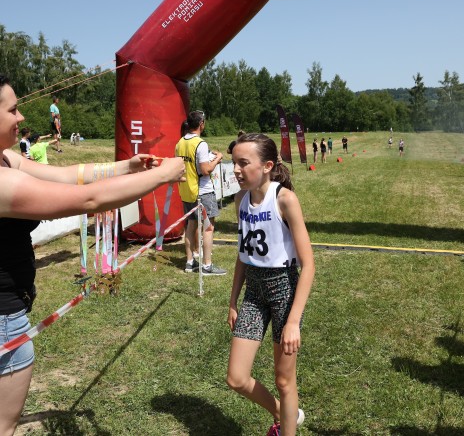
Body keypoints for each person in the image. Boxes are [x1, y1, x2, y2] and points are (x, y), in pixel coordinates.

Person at [0, 74, 186, 435]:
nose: (21, 117)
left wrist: (127, 167)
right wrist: (164, 174)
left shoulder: (6, 159)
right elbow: (89, 200)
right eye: (12, 109)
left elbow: (71, 175)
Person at [226, 133, 315, 436]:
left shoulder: (284, 199)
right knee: (236, 378)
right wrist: (233, 300)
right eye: (233, 163)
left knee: (284, 380)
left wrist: (293, 322)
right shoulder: (240, 200)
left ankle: (286, 429)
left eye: (243, 163)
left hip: (283, 292)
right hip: (253, 292)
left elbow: (309, 266)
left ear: (266, 166)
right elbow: (243, 254)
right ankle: (282, 413)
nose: (236, 170)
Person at [175, 110, 226, 276]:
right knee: (208, 227)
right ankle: (207, 265)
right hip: (202, 191)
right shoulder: (200, 143)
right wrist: (218, 158)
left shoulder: (180, 142)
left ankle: (190, 262)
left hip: (187, 190)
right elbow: (205, 170)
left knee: (190, 225)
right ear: (202, 124)